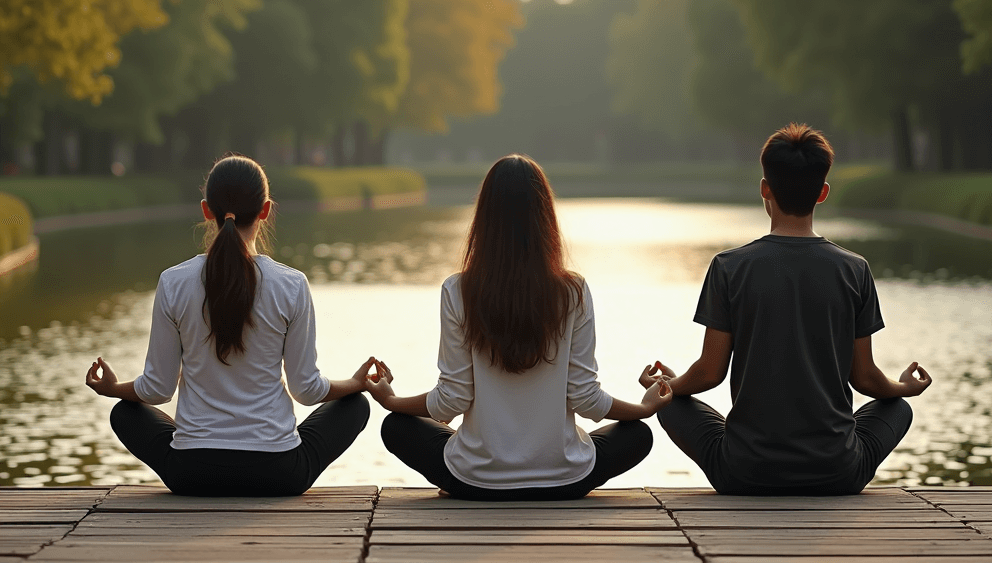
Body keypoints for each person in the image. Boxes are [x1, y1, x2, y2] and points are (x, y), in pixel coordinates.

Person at [644, 123, 932, 495]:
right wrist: (902, 387)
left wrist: (667, 385)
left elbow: (709, 373)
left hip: (744, 474)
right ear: (823, 192)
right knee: (897, 408)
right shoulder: (854, 269)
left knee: (669, 404)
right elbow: (864, 379)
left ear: (765, 188)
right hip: (836, 473)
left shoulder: (729, 267)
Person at [366, 154, 673, 500]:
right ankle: (546, 471)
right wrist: (644, 408)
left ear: (483, 217)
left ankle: (473, 467)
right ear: (545, 218)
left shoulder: (457, 290)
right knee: (638, 436)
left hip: (475, 482)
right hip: (564, 481)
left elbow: (452, 399)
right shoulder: (573, 292)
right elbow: (585, 399)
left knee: (396, 428)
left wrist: (392, 401)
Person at [85, 154, 373, 496]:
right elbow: (306, 390)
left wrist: (113, 389)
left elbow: (158, 389)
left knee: (125, 413)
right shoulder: (291, 284)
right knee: (356, 405)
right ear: (265, 210)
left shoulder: (174, 282)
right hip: (279, 473)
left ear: (207, 210)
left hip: (192, 473)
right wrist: (355, 384)